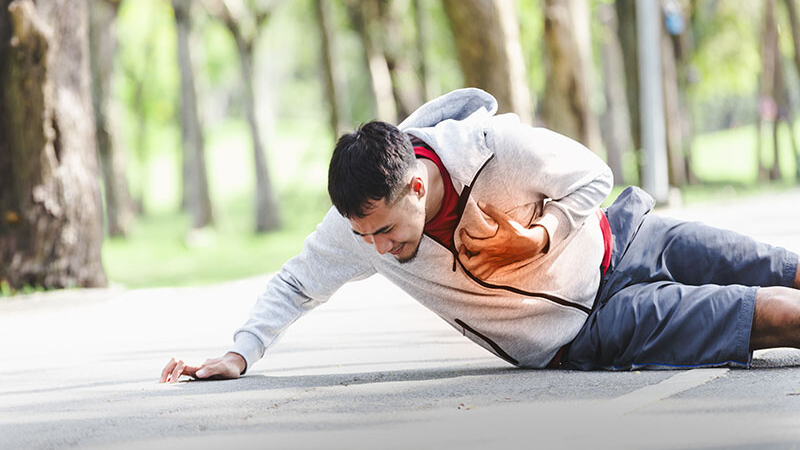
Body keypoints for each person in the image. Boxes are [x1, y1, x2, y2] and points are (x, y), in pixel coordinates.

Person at [160, 88, 800, 383]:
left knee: (780, 265)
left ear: (415, 186)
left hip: (626, 237)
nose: (376, 249)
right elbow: (296, 283)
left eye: (383, 231)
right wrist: (238, 354)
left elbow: (592, 175)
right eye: (364, 237)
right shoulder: (358, 226)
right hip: (589, 330)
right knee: (771, 315)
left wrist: (540, 237)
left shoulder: (495, 150)